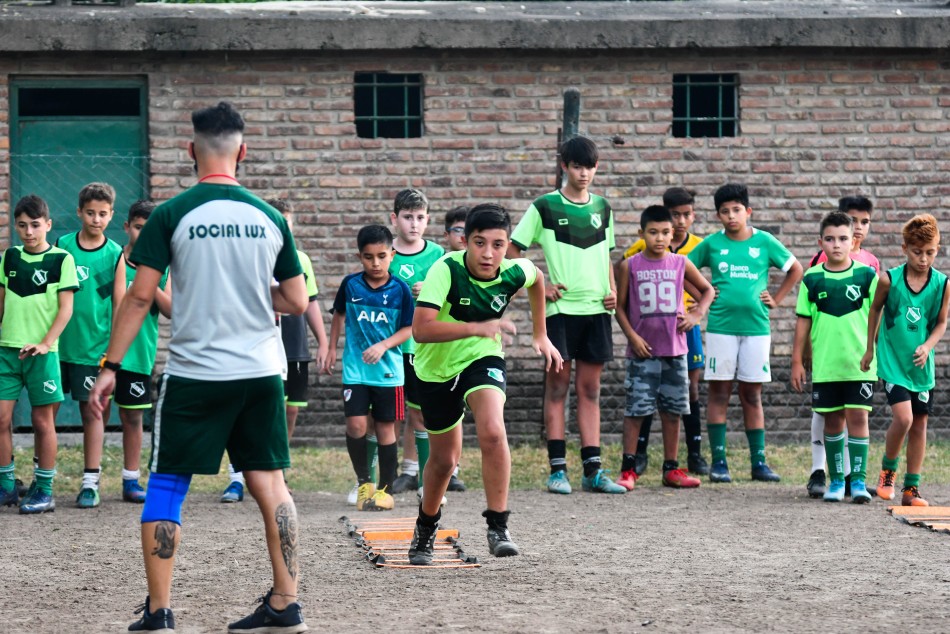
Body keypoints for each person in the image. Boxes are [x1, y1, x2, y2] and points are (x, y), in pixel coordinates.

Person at [89, 101, 309, 633]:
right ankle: (286, 605)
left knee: (166, 484)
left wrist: (110, 364)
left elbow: (140, 298)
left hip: (195, 375)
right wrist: (250, 296)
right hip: (260, 373)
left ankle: (160, 614)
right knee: (272, 485)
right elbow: (298, 301)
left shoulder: (171, 214)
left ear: (190, 150)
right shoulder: (269, 217)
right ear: (243, 151)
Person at [407, 203, 562, 565]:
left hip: (482, 358)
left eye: (498, 244)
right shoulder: (445, 269)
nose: (489, 253)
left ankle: (498, 525)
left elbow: (537, 278)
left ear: (508, 245)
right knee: (445, 461)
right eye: (480, 243)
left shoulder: (513, 270)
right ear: (465, 242)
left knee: (493, 431)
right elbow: (421, 329)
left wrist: (541, 334)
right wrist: (479, 326)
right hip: (435, 369)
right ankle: (427, 526)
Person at [508, 135, 623, 495]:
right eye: (577, 166)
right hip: (559, 312)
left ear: (596, 167)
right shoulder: (543, 207)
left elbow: (606, 253)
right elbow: (512, 253)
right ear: (564, 166)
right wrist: (540, 286)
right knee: (557, 388)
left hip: (597, 311)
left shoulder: (603, 208)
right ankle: (557, 470)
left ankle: (594, 470)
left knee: (591, 390)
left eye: (589, 166)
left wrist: (613, 288)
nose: (584, 173)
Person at [688, 183, 803, 483]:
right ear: (717, 215)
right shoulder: (713, 244)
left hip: (756, 329)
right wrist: (705, 295)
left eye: (736, 210)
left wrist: (776, 299)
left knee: (752, 394)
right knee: (719, 393)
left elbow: (795, 269)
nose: (731, 216)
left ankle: (759, 463)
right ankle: (720, 462)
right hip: (721, 329)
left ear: (748, 211)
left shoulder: (764, 241)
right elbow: (683, 267)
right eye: (724, 212)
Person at [220, 199, 328, 503]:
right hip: (260, 347)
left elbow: (311, 302)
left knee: (289, 411)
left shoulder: (300, 259)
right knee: (254, 412)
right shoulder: (251, 256)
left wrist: (322, 341)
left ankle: (277, 471)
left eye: (287, 222)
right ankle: (238, 476)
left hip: (293, 347)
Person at [614, 205, 714, 491]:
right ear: (641, 233)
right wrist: (632, 337)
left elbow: (707, 291)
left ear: (673, 234)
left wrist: (696, 315)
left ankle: (671, 468)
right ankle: (628, 468)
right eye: (653, 232)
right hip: (642, 352)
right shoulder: (629, 265)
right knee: (636, 411)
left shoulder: (680, 263)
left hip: (675, 351)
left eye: (665, 233)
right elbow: (620, 308)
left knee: (672, 411)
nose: (659, 238)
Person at [861, 214, 949, 507]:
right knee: (904, 418)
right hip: (893, 363)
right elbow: (874, 311)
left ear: (937, 249)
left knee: (920, 425)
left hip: (921, 367)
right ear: (904, 248)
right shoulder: (889, 280)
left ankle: (912, 490)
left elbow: (940, 323)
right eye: (917, 252)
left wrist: (927, 346)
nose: (923, 259)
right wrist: (870, 348)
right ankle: (888, 471)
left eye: (930, 252)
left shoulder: (942, 284)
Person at [326, 224, 414, 512]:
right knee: (356, 424)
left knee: (386, 428)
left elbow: (409, 329)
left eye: (381, 256)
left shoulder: (400, 289)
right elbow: (339, 315)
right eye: (368, 257)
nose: (375, 263)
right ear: (359, 256)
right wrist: (330, 348)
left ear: (391, 254)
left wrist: (384, 345)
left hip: (389, 373)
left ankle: (385, 491)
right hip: (355, 370)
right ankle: (364, 481)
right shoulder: (351, 285)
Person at [791, 212, 877, 503]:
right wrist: (796, 361)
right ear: (821, 242)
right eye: (830, 239)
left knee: (858, 418)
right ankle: (837, 481)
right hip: (827, 366)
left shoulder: (867, 275)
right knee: (832, 421)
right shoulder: (812, 279)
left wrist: (872, 350)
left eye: (843, 238)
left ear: (853, 241)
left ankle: (859, 482)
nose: (836, 244)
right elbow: (802, 321)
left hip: (859, 364)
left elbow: (876, 316)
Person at [0, 195, 78, 514]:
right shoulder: (9, 257)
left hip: (42, 354)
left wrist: (45, 343)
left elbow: (66, 310)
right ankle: (6, 486)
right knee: (1, 419)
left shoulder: (62, 259)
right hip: (7, 351)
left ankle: (44, 489)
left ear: (47, 224)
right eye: (22, 225)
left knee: (42, 422)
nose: (28, 232)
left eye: (35, 225)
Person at [385, 190, 465, 497]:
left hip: (423, 348)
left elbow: (452, 296)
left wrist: (431, 289)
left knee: (422, 412)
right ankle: (393, 475)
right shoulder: (384, 253)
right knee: (389, 414)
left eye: (420, 218)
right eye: (407, 217)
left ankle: (426, 477)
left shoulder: (437, 256)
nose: (413, 224)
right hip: (390, 347)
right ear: (395, 219)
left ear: (428, 220)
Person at [55, 182, 126, 509]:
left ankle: (90, 481)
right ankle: (45, 478)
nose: (96, 219)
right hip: (57, 346)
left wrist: (111, 355)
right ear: (79, 212)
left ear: (111, 215)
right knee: (47, 413)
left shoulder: (116, 255)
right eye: (90, 213)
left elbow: (120, 308)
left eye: (102, 214)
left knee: (92, 413)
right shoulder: (62, 246)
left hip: (93, 350)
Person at [117, 201, 171, 504]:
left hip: (137, 354)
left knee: (133, 418)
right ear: (127, 227)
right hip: (98, 351)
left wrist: (147, 279)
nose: (143, 233)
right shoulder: (114, 258)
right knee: (91, 416)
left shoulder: (162, 265)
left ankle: (131, 479)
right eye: (138, 227)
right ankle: (91, 480)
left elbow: (170, 310)